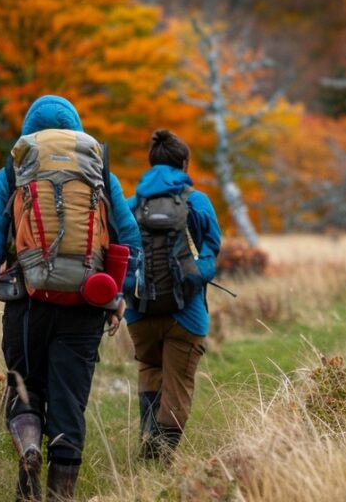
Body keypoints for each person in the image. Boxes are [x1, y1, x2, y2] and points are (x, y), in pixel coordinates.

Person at [0, 95, 142, 502]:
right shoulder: (97, 170)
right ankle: (61, 496)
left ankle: (28, 463)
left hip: (26, 304)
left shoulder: (15, 168)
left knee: (26, 388)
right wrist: (120, 294)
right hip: (85, 306)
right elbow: (129, 239)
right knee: (69, 401)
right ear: (75, 128)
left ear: (29, 131)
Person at [126, 129, 221, 462]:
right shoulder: (197, 202)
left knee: (150, 371)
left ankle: (148, 445)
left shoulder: (131, 204)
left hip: (140, 313)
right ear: (185, 163)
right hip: (187, 314)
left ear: (151, 164)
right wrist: (196, 276)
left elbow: (119, 253)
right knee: (178, 387)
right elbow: (213, 250)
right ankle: (157, 462)